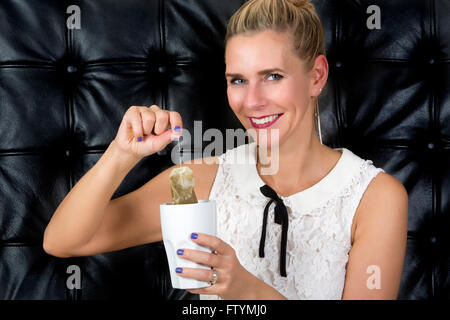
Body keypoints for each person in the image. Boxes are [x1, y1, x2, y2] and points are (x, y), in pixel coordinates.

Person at [43, 0, 408, 300]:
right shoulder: (200, 178)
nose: (252, 101)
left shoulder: (375, 197)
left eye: (273, 76)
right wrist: (121, 154)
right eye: (238, 80)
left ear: (316, 76)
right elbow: (63, 240)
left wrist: (249, 290)